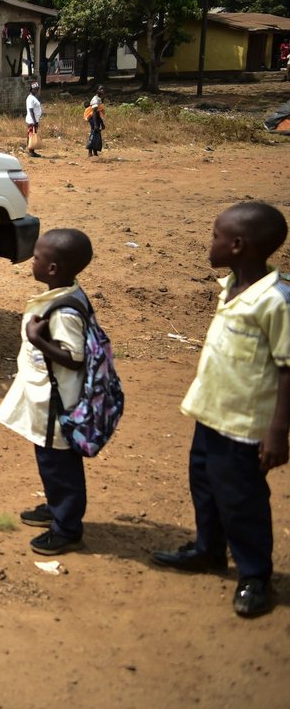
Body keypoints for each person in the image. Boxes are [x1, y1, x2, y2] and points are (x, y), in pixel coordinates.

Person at [151, 202, 289, 618]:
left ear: (238, 245)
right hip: (210, 413)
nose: (209, 243)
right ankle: (208, 550)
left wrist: (278, 432)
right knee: (206, 487)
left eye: (215, 236)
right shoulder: (230, 284)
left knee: (241, 499)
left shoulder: (276, 302)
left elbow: (288, 368)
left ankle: (254, 574)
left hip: (245, 426)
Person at [0, 228, 94, 555]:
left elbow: (75, 358)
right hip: (46, 398)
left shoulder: (65, 311)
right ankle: (55, 507)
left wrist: (38, 340)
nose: (32, 261)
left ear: (53, 269)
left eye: (37, 258)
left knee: (59, 466)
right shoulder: (61, 296)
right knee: (49, 461)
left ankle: (67, 528)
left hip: (58, 405)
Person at [25, 82, 43, 158]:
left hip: (34, 120)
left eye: (37, 89)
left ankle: (32, 151)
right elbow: (31, 110)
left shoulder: (33, 98)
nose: (36, 91)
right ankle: (31, 151)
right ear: (31, 89)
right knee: (31, 135)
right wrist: (35, 121)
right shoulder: (30, 98)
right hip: (32, 121)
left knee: (32, 135)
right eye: (34, 89)